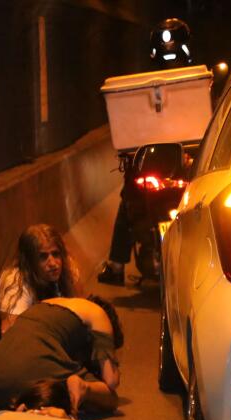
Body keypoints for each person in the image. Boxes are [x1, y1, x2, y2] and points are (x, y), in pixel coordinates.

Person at [98, 18, 193, 286]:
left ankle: (116, 267)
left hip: (160, 164)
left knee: (127, 200)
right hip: (178, 164)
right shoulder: (198, 82)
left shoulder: (145, 85)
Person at [0, 295, 124, 415]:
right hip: (30, 367)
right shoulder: (99, 313)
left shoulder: (51, 303)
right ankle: (84, 388)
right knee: (110, 398)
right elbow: (111, 381)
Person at [0, 224, 82, 337]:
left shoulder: (67, 266)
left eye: (55, 254)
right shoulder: (16, 282)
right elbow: (10, 336)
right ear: (30, 262)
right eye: (43, 257)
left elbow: (82, 311)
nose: (53, 263)